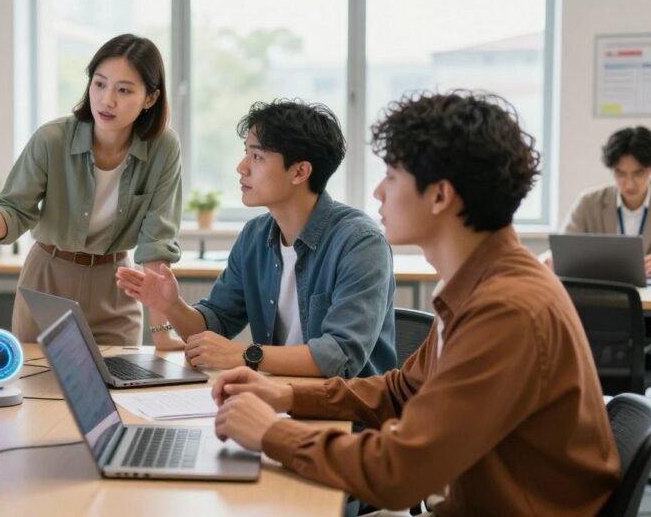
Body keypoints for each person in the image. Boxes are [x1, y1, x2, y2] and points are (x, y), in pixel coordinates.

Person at [212, 91, 619, 516]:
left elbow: (398, 472)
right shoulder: (477, 284)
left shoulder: (507, 309)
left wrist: (270, 435)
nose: (377, 191)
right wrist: (284, 395)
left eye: (391, 175)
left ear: (440, 196)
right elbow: (401, 391)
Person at [0, 34, 184, 349]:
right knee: (38, 390)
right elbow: (13, 218)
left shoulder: (164, 147)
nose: (107, 100)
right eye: (99, 83)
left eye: (124, 90)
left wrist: (162, 334)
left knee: (120, 387)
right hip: (48, 280)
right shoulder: (52, 139)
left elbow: (156, 243)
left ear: (150, 98)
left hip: (115, 283)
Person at [117, 99, 396, 378]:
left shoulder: (360, 243)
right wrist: (171, 305)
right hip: (278, 399)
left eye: (257, 156)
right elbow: (211, 329)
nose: (242, 167)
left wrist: (243, 355)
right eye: (245, 154)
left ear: (300, 171)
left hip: (345, 412)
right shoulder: (255, 236)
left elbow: (340, 356)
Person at [550, 125, 651, 276]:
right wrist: (551, 260)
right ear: (611, 169)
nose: (629, 183)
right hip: (602, 292)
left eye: (638, 173)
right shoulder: (589, 203)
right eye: (620, 173)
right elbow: (562, 251)